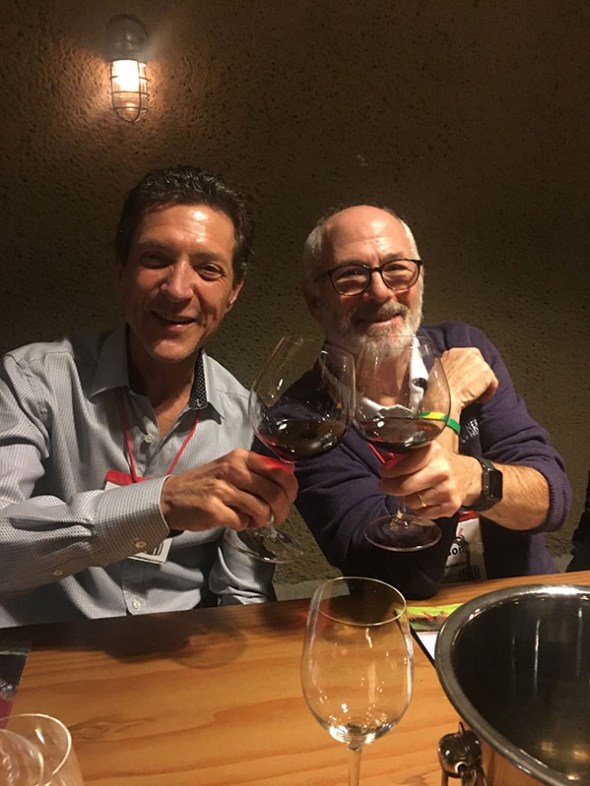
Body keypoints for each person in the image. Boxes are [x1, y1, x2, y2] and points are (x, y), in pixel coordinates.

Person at [0, 165, 297, 627]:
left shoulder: (248, 419)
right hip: (49, 653)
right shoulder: (32, 380)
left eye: (208, 269)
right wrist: (159, 504)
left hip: (177, 655)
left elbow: (242, 592)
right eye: (156, 258)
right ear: (121, 270)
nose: (178, 290)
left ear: (233, 292)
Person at [293, 204, 571, 599]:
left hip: (518, 603)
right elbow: (403, 575)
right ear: (315, 301)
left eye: (397, 269)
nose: (381, 291)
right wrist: (444, 408)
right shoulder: (300, 420)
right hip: (398, 621)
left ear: (420, 279)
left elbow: (551, 501)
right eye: (351, 275)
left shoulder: (464, 345)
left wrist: (474, 479)